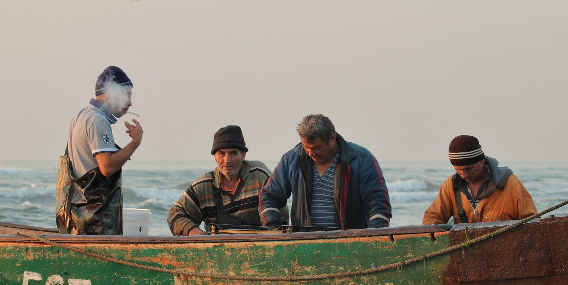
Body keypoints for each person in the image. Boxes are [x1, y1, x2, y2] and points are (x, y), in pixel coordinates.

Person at [259, 114, 392, 230]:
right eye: (306, 147)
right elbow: (269, 196)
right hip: (304, 245)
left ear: (332, 137)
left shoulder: (361, 159)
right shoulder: (291, 160)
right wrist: (274, 226)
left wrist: (375, 234)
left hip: (350, 242)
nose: (311, 153)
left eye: (317, 148)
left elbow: (377, 201)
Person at [56, 66, 143, 235]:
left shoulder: (81, 115)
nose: (130, 102)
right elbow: (107, 167)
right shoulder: (97, 120)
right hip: (94, 222)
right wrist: (135, 142)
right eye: (127, 94)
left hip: (78, 218)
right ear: (111, 92)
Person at [168, 125, 286, 235]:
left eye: (233, 153)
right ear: (214, 156)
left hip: (257, 247)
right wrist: (194, 232)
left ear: (244, 155)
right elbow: (175, 214)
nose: (227, 160)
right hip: (216, 250)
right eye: (221, 154)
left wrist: (274, 230)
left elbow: (278, 210)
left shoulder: (259, 175)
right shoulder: (205, 185)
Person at [422, 135, 537, 224]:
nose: (464, 175)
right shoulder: (451, 185)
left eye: (469, 169)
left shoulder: (510, 183)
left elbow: (532, 222)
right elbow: (432, 217)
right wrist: (434, 229)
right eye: (458, 170)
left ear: (481, 161)